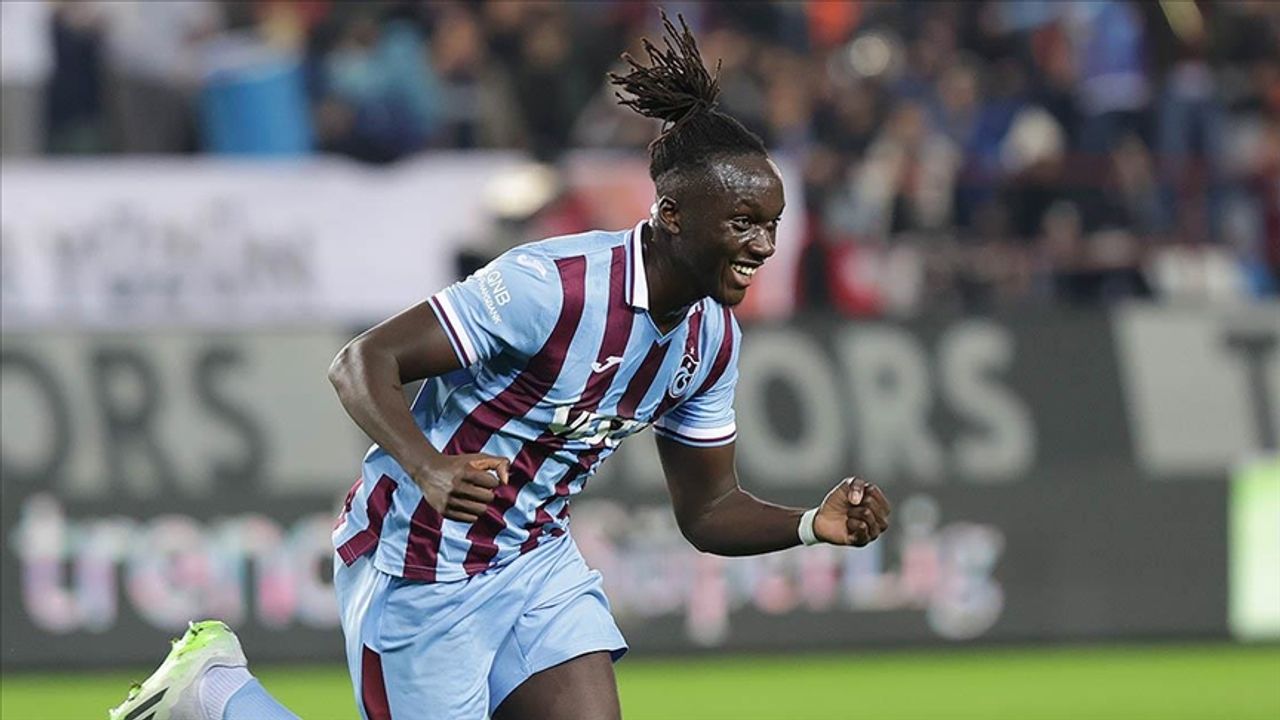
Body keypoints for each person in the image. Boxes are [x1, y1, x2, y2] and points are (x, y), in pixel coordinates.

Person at [108, 13, 891, 720]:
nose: (764, 245)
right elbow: (362, 360)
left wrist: (809, 524)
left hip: (535, 563)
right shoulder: (551, 289)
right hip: (422, 564)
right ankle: (215, 694)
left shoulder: (710, 342)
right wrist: (428, 467)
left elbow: (708, 510)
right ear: (673, 214)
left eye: (772, 224)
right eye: (745, 222)